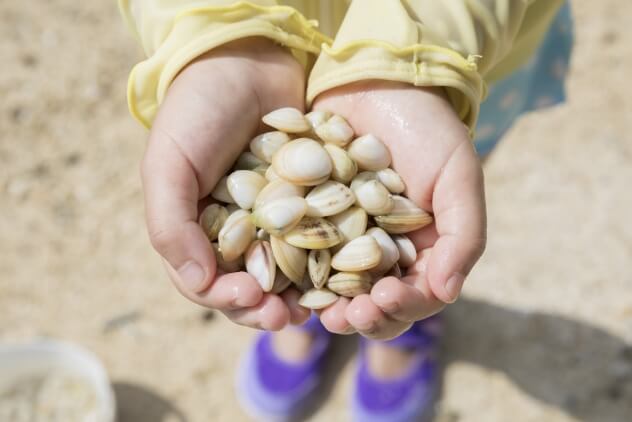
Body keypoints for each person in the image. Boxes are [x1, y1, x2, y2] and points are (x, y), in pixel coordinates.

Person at [119, 1, 573, 420]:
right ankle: (302, 303)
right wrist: (223, 42)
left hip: (458, 57)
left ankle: (391, 314)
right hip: (269, 34)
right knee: (310, 283)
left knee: (441, 194)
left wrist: (417, 62)